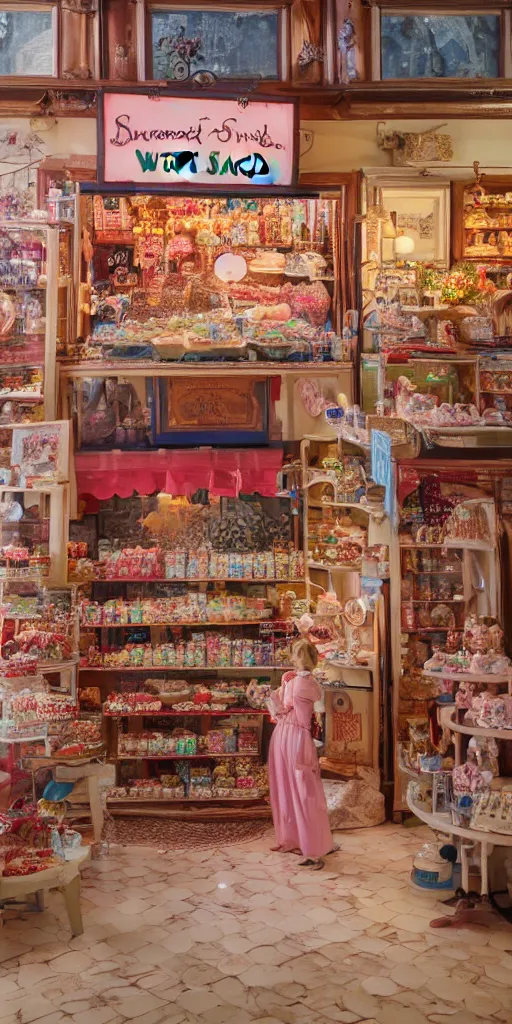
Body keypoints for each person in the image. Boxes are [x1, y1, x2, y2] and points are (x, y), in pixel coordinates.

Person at [267, 638, 335, 870]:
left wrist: (271, 694)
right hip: (296, 736)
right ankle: (308, 842)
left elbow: (281, 710)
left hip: (287, 736)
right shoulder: (312, 684)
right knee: (303, 791)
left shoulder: (295, 682)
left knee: (291, 789)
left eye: (294, 655)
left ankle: (303, 843)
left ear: (298, 658)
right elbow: (316, 711)